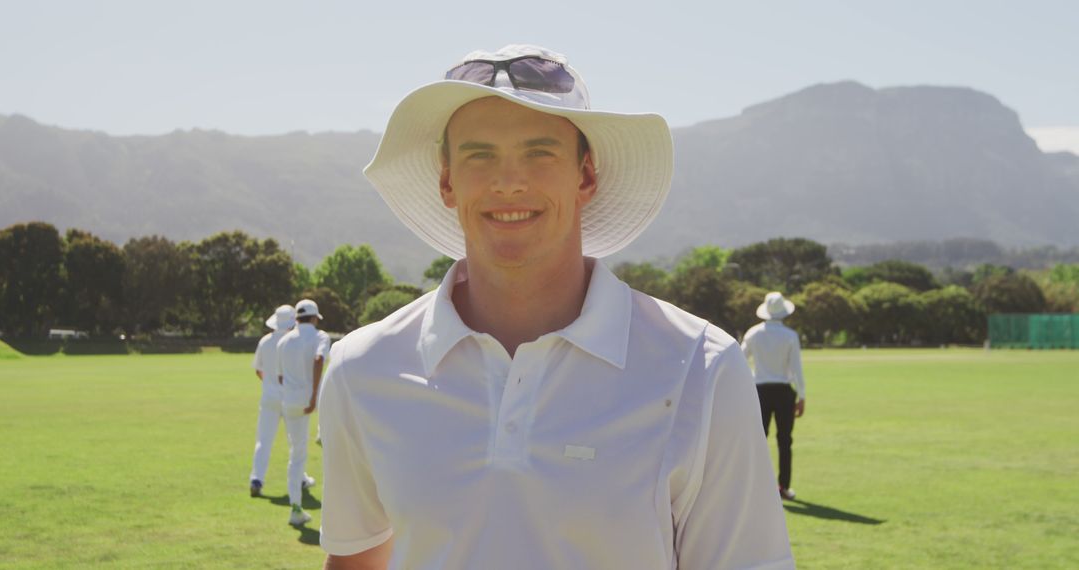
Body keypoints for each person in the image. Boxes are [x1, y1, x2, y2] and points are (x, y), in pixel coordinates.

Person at [318, 44, 793, 569]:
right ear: (447, 181)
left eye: (539, 151)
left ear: (586, 175)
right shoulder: (363, 368)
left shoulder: (699, 368)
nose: (508, 181)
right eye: (479, 154)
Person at [741, 292, 806, 501]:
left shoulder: (753, 333)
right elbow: (796, 368)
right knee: (784, 441)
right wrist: (802, 395)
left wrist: (752, 377)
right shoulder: (790, 336)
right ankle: (784, 487)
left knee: (758, 440)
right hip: (784, 391)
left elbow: (740, 359)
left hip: (759, 391)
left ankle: (755, 487)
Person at [276, 298, 331, 526]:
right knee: (303, 453)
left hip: (289, 401)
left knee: (296, 453)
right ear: (315, 317)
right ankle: (297, 508)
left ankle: (297, 505)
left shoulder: (284, 340)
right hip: (309, 399)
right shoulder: (320, 336)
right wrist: (313, 394)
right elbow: (319, 359)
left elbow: (280, 376)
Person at [248, 304, 296, 497]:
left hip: (268, 397)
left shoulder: (265, 341)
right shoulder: (294, 342)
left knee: (263, 440)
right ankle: (299, 477)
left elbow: (259, 370)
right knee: (296, 441)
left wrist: (270, 384)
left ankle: (256, 478)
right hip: (290, 397)